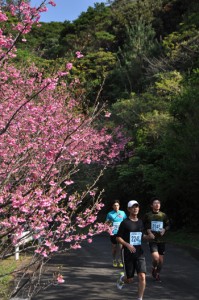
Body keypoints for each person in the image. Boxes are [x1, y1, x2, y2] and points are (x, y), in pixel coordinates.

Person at [116, 200, 149, 300]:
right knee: (129, 280)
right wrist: (127, 244)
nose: (135, 208)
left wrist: (149, 237)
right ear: (129, 209)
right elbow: (118, 237)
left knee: (142, 276)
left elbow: (141, 236)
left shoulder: (140, 222)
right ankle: (122, 279)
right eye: (133, 207)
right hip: (127, 252)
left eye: (137, 207)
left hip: (139, 253)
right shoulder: (125, 223)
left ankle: (140, 298)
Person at [143, 197, 170, 282]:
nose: (157, 204)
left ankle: (157, 273)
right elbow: (144, 225)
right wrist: (148, 232)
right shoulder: (148, 215)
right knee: (156, 258)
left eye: (158, 203)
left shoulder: (163, 215)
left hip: (161, 240)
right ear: (151, 205)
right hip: (153, 240)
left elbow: (168, 225)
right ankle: (154, 267)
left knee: (161, 261)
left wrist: (164, 230)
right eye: (155, 203)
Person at [106, 200, 127, 268]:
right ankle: (114, 259)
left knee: (121, 247)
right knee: (114, 248)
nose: (116, 206)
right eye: (115, 205)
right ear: (112, 206)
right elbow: (107, 223)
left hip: (121, 233)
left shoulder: (122, 213)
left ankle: (120, 260)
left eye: (117, 205)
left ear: (119, 206)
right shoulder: (110, 214)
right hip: (113, 232)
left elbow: (126, 221)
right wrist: (108, 227)